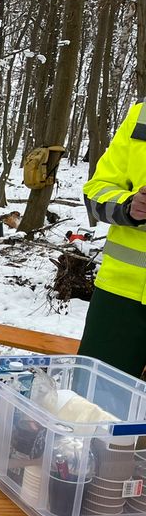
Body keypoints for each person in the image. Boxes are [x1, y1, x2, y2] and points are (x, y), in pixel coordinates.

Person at [79, 101, 146, 378]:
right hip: (120, 297)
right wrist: (129, 207)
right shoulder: (141, 115)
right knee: (90, 404)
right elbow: (95, 191)